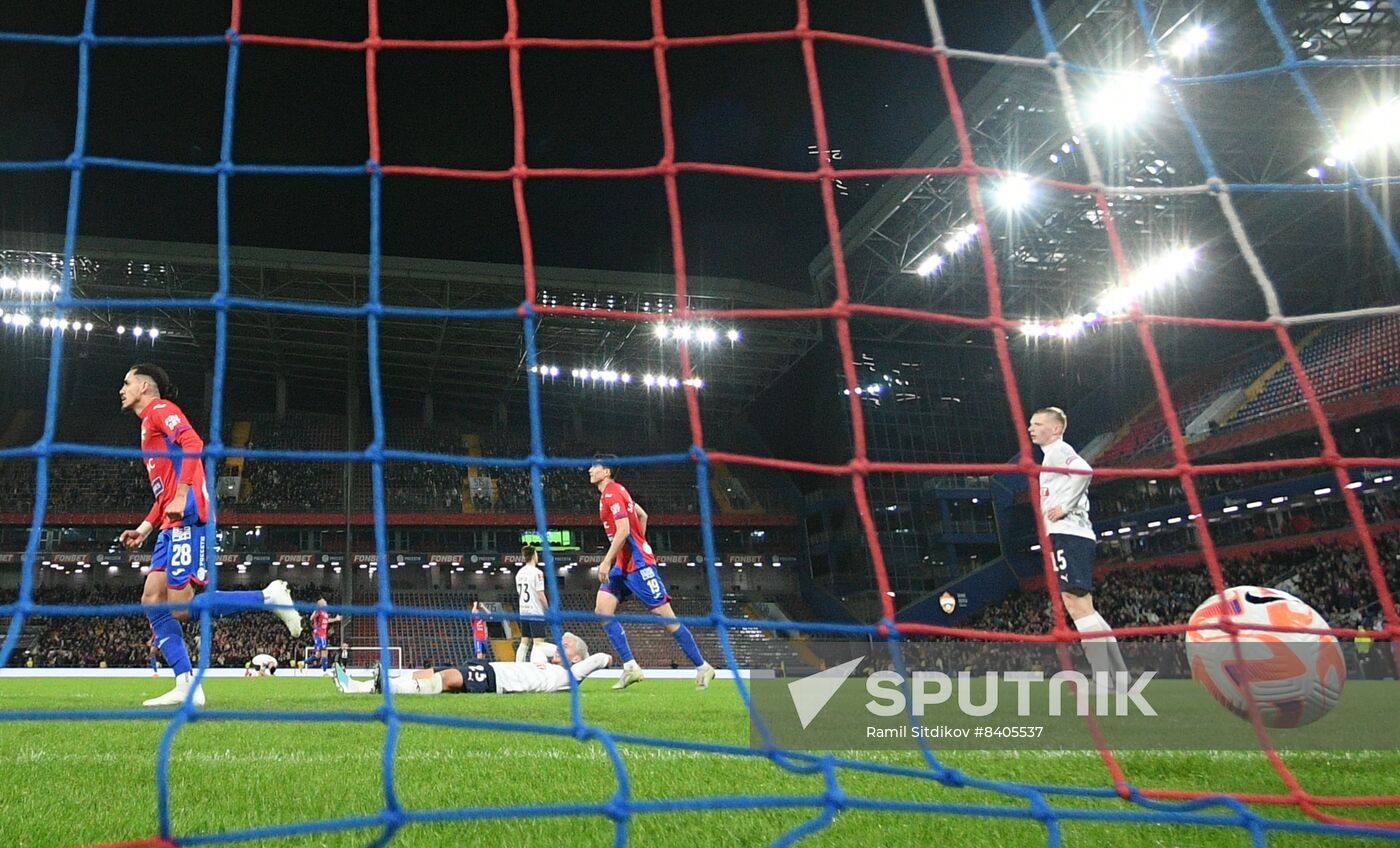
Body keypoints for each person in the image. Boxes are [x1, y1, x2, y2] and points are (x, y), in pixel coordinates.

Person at [117, 363, 302, 707]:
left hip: (188, 518)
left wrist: (183, 494)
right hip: (169, 523)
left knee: (181, 610)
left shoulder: (160, 410)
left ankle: (267, 597)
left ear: (144, 387)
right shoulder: (147, 428)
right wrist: (144, 528)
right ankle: (185, 683)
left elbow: (193, 442)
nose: (121, 389)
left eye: (127, 383)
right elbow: (163, 493)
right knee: (152, 599)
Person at [589, 454, 714, 690]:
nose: (589, 470)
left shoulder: (612, 493)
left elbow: (624, 528)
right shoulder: (616, 491)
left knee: (667, 619)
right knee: (602, 610)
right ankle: (630, 668)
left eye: (594, 467)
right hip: (624, 565)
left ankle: (703, 666)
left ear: (606, 472)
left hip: (637, 565)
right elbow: (642, 515)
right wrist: (639, 541)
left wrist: (608, 561)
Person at [1027, 406, 1127, 685]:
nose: (1030, 428)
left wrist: (1064, 506)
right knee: (1086, 607)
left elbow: (1084, 471)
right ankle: (1119, 676)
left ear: (1056, 428)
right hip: (1072, 533)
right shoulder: (1052, 455)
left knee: (1075, 603)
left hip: (1068, 533)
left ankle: (1104, 679)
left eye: (1037, 423)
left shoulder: (1059, 450)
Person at [333, 633, 609, 695]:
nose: (561, 644)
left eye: (568, 644)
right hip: (491, 668)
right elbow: (537, 647)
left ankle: (386, 689)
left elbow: (596, 660)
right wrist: (563, 644)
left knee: (450, 678)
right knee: (429, 673)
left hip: (496, 679)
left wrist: (607, 658)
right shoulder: (545, 665)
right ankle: (359, 687)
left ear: (576, 659)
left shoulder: (566, 678)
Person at [514, 545, 549, 662]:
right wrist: (547, 609)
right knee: (538, 643)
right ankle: (536, 667)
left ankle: (518, 665)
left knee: (525, 640)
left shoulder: (519, 573)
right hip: (536, 612)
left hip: (523, 611)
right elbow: (540, 594)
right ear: (534, 555)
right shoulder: (537, 573)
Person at [309, 598, 343, 675]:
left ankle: (322, 669)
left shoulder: (324, 613)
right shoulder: (319, 611)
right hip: (319, 634)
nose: (326, 604)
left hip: (323, 634)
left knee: (319, 654)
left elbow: (327, 620)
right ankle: (324, 670)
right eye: (325, 603)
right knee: (322, 652)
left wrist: (336, 619)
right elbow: (311, 618)